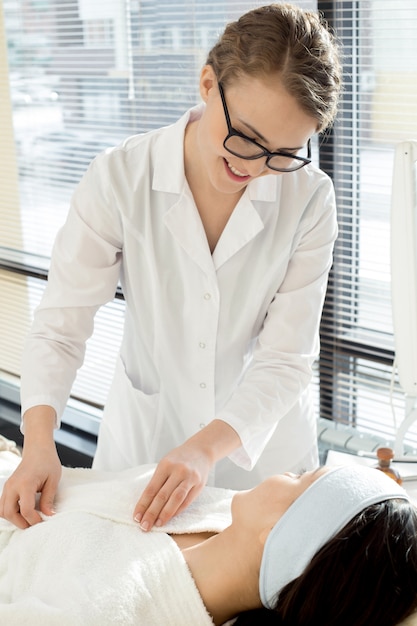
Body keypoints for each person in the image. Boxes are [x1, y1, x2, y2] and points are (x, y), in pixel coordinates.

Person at [0, 3, 342, 532]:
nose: (252, 166)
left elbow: (286, 359)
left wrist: (207, 448)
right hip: (146, 449)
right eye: (246, 136)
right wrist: (39, 443)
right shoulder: (119, 178)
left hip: (264, 461)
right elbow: (62, 324)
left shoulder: (310, 198)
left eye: (281, 153)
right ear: (208, 83)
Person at [0, 455, 416, 625]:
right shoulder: (218, 509)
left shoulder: (113, 611)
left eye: (301, 477)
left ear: (281, 534)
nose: (290, 470)